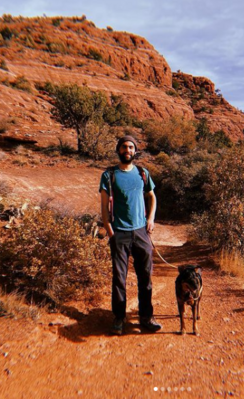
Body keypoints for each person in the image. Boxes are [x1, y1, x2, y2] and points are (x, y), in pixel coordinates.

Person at [99, 135, 162, 335]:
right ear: (118, 150)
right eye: (124, 147)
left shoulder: (142, 173)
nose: (128, 150)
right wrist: (110, 231)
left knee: (145, 276)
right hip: (119, 233)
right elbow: (104, 206)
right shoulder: (109, 175)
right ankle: (119, 318)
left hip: (141, 232)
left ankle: (146, 317)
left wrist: (151, 219)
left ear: (135, 151)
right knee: (119, 278)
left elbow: (152, 196)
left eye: (131, 147)